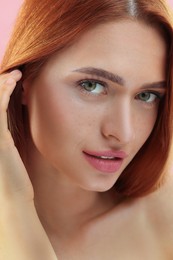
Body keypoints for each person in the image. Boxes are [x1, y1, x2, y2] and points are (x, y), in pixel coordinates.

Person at [0, 0, 173, 259]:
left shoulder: (164, 221)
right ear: (24, 79)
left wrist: (16, 205)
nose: (123, 133)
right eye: (92, 85)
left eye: (147, 96)